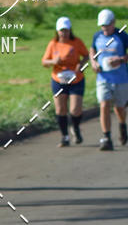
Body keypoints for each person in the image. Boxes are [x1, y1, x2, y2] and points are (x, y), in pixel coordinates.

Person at [42, 16, 89, 147]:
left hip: (76, 79)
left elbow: (86, 55)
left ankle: (75, 128)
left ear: (70, 30)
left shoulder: (76, 42)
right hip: (58, 80)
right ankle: (65, 136)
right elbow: (44, 62)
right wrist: (53, 62)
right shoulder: (53, 44)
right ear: (57, 31)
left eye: (66, 30)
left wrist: (81, 65)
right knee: (61, 109)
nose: (64, 33)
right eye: (61, 30)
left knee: (75, 109)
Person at [89, 8, 128, 150]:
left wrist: (121, 59)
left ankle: (122, 124)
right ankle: (106, 137)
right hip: (103, 78)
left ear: (113, 23)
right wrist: (94, 63)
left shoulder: (122, 36)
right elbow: (92, 50)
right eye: (102, 26)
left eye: (107, 25)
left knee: (120, 108)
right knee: (104, 105)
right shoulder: (97, 36)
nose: (105, 28)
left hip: (121, 78)